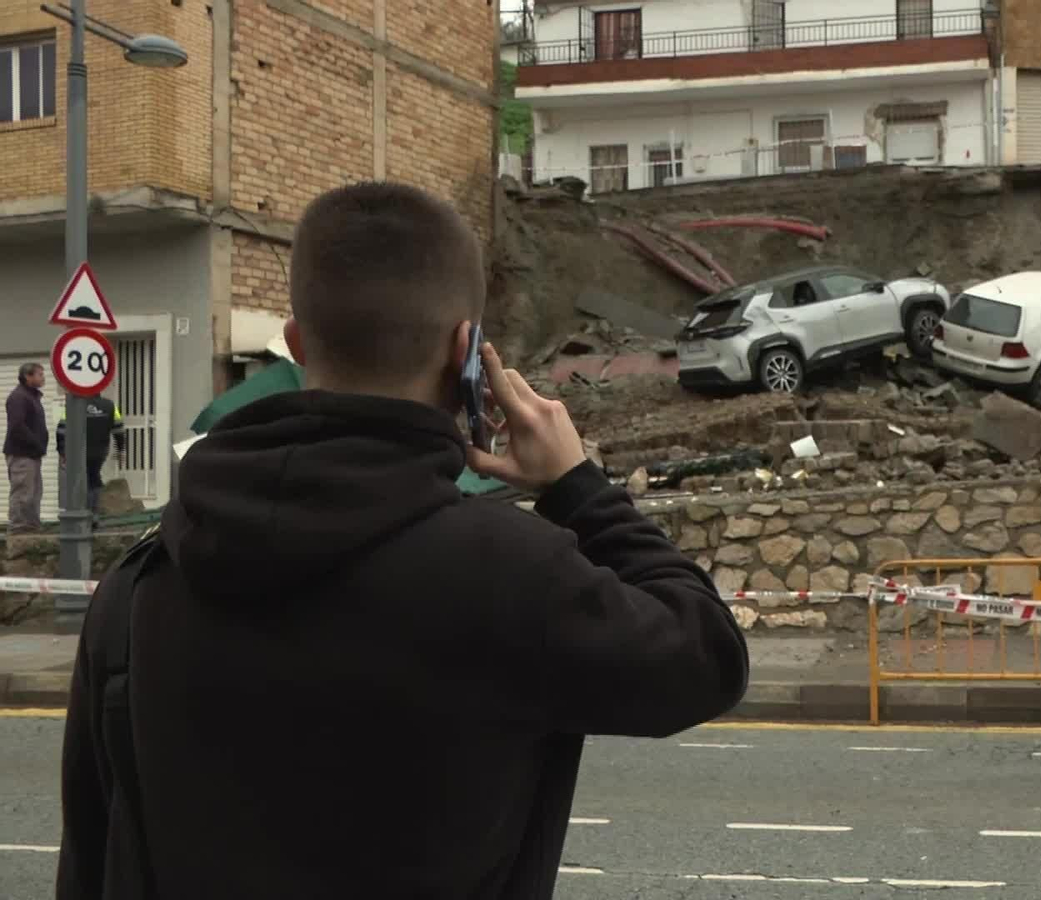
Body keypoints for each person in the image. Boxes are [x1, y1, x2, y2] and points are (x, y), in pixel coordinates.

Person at [57, 182, 750, 900]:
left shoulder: (134, 593)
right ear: (469, 354)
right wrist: (576, 486)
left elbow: (89, 860)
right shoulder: (513, 575)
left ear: (295, 344)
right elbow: (707, 656)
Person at [55, 391, 128, 519]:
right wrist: (120, 450)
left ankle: (88, 513)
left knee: (86, 480)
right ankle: (95, 510)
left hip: (78, 451)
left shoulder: (75, 406)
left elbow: (61, 430)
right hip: (100, 451)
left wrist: (62, 452)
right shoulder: (110, 405)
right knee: (93, 477)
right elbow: (119, 429)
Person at [5, 362, 48, 533]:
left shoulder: (32, 396)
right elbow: (17, 426)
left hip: (32, 453)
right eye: (40, 374)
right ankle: (19, 527)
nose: (43, 378)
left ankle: (31, 525)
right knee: (23, 490)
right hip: (22, 453)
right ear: (27, 376)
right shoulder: (19, 397)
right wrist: (36, 443)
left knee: (34, 491)